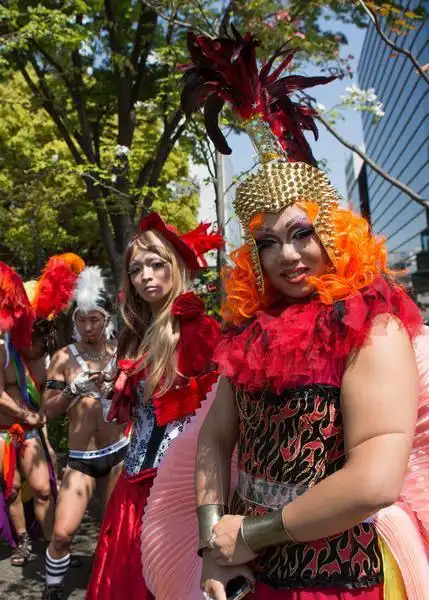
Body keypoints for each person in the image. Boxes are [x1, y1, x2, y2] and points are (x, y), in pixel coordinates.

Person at [141, 29, 429, 600]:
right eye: (269, 243)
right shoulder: (252, 331)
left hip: (338, 582)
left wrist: (247, 534)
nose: (288, 255)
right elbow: (214, 439)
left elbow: (374, 480)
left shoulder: (374, 326)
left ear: (336, 234)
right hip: (249, 577)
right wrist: (212, 547)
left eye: (302, 234)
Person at [85, 213, 223, 600]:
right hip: (132, 489)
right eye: (136, 269)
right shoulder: (139, 335)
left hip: (176, 494)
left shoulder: (199, 330)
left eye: (157, 264)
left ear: (176, 268)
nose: (146, 275)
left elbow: (215, 419)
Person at [42, 266, 126, 600]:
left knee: (113, 532)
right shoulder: (64, 358)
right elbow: (48, 411)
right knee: (62, 534)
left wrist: (115, 391)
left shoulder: (121, 352)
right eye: (81, 319)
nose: (88, 327)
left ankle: (108, 585)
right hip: (81, 460)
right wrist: (72, 390)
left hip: (120, 450)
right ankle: (52, 588)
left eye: (95, 319)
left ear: (107, 319)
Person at [0, 254, 84, 567]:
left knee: (44, 490)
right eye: (34, 334)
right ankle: (22, 542)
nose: (38, 342)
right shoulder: (2, 351)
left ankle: (54, 546)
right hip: (2, 434)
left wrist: (46, 438)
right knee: (12, 491)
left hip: (32, 432)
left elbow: (42, 406)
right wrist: (25, 416)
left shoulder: (43, 358)